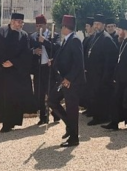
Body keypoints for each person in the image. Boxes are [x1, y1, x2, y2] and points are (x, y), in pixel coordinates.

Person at [48, 15, 86, 147]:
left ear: (65, 27)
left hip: (71, 82)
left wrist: (69, 78)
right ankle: (70, 126)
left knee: (72, 109)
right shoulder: (67, 40)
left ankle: (74, 138)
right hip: (63, 80)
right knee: (52, 100)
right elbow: (64, 57)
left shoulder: (75, 40)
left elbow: (79, 63)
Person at [85, 14, 118, 125]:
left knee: (101, 97)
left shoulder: (106, 39)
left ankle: (101, 117)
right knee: (94, 96)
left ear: (103, 25)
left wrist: (106, 76)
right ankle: (97, 115)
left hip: (102, 74)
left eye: (98, 24)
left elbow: (110, 59)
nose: (96, 26)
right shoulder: (95, 37)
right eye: (95, 24)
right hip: (93, 74)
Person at [30, 14, 60, 125]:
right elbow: (28, 49)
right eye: (37, 26)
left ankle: (56, 114)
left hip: (49, 69)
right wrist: (34, 51)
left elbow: (57, 48)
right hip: (38, 69)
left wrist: (45, 41)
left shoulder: (54, 35)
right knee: (39, 94)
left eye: (41, 25)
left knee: (51, 93)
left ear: (45, 25)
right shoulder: (33, 36)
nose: (39, 28)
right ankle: (43, 116)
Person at [80, 17, 95, 116]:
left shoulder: (95, 38)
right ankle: (88, 108)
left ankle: (92, 109)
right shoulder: (87, 38)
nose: (86, 28)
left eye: (87, 26)